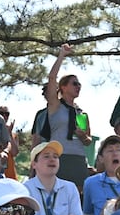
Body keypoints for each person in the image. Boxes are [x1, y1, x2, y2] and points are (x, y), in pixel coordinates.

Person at [39, 45, 93, 187]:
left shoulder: (81, 113)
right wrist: (62, 55)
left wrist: (82, 136)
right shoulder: (56, 106)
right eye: (74, 83)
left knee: (79, 195)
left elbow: (88, 141)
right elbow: (51, 78)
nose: (78, 86)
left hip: (79, 159)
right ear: (63, 87)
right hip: (59, 157)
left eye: (79, 84)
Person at [24, 141, 96, 215]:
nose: (52, 159)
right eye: (46, 156)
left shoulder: (70, 187)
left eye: (56, 156)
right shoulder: (25, 188)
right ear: (34, 164)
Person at [83, 136, 120, 215]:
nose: (115, 153)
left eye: (119, 150)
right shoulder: (91, 183)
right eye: (110, 150)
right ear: (101, 158)